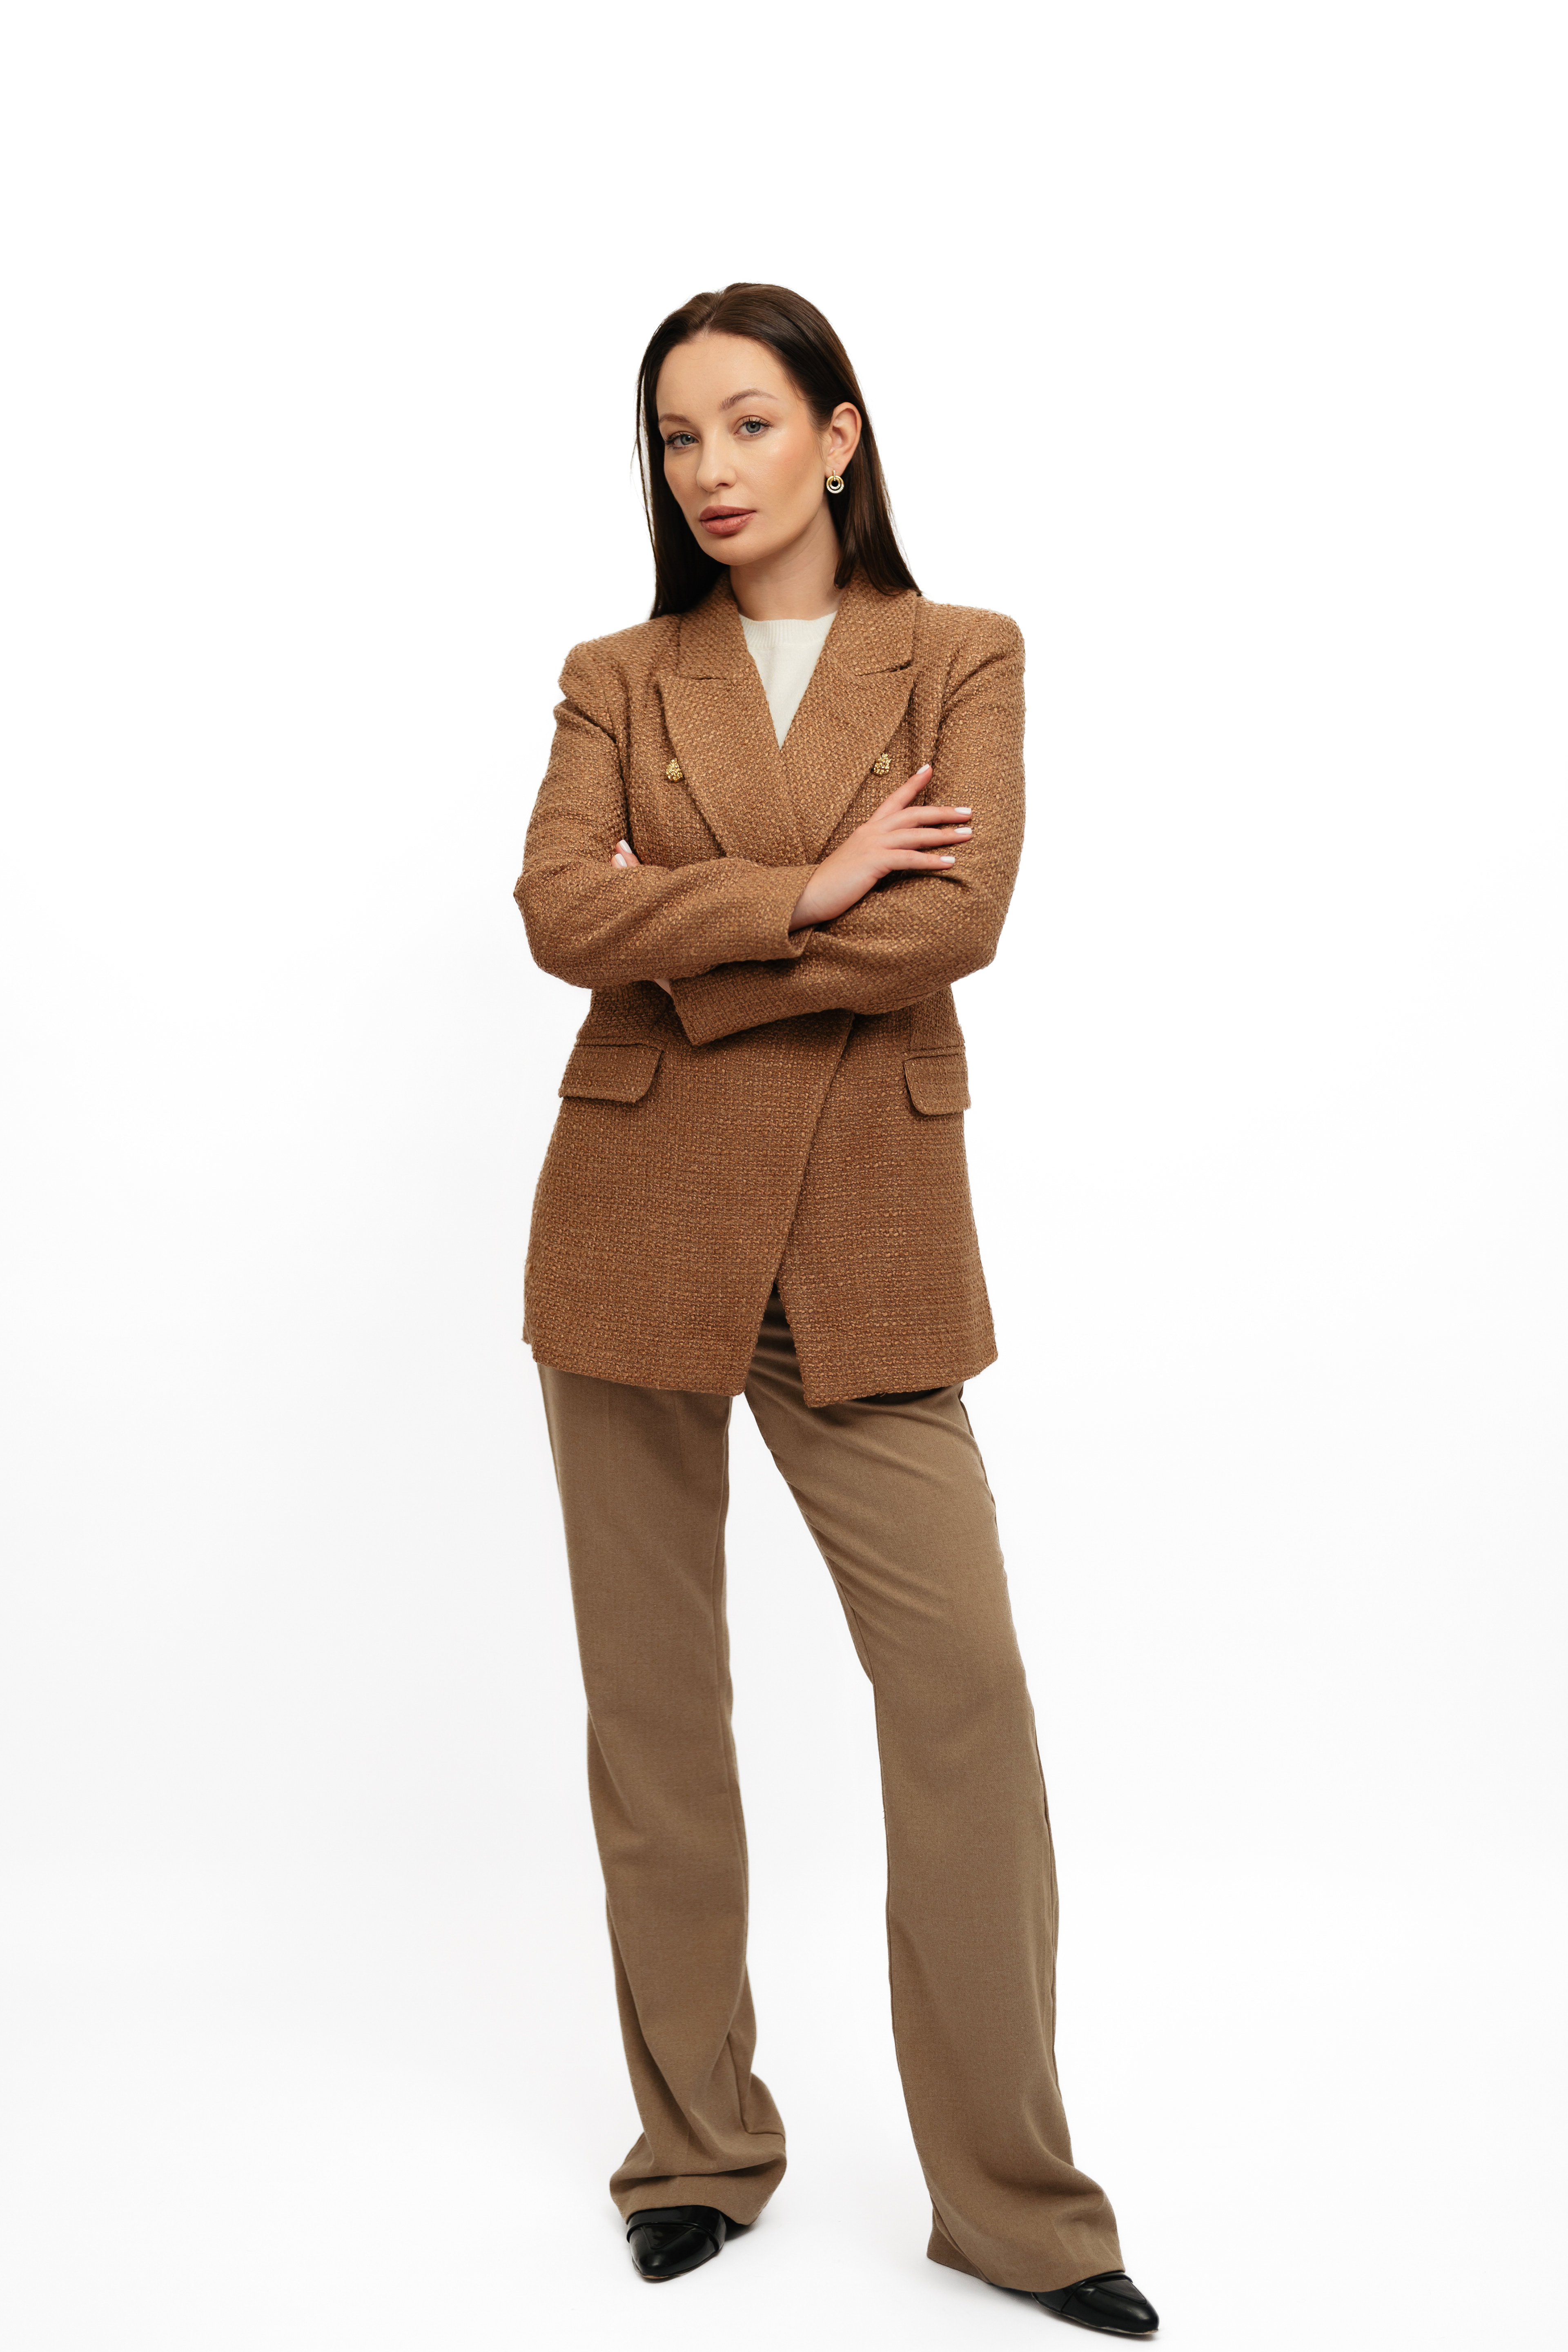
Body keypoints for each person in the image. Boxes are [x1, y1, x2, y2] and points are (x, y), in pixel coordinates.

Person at [514, 282, 1159, 2337]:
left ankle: (1019, 2209)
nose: (708, 469)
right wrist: (804, 893)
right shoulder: (619, 674)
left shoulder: (960, 653)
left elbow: (957, 920)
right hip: (632, 1223)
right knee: (655, 1718)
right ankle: (696, 2155)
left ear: (840, 434)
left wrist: (694, 949)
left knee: (962, 1693)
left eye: (747, 423)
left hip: (863, 1235)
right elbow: (558, 909)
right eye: (675, 436)